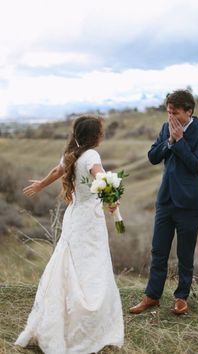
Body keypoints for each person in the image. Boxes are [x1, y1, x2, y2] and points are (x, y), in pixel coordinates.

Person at [15, 115, 124, 354]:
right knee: (92, 265)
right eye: (101, 131)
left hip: (73, 217)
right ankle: (87, 322)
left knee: (68, 262)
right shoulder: (92, 156)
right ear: (96, 135)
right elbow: (101, 177)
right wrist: (112, 199)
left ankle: (61, 317)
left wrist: (41, 185)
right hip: (90, 220)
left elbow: (57, 170)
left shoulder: (72, 154)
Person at [129, 90, 198, 315]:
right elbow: (152, 157)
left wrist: (179, 141)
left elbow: (196, 165)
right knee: (158, 251)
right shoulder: (166, 128)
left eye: (175, 113)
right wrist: (169, 140)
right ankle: (152, 296)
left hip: (189, 202)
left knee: (185, 254)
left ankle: (181, 297)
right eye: (168, 112)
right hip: (165, 200)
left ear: (189, 111)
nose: (171, 117)